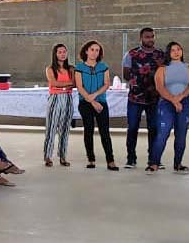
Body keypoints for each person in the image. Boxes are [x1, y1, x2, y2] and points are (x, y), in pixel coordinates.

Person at [148, 41, 189, 173]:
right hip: (166, 103)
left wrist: (180, 98)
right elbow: (160, 87)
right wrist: (173, 100)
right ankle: (154, 163)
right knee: (163, 133)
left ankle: (178, 164)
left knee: (181, 135)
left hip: (185, 103)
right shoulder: (162, 69)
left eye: (179, 49)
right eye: (173, 50)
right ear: (168, 53)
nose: (176, 52)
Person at [122, 27, 166, 169]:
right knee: (133, 128)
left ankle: (153, 159)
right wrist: (139, 80)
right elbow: (126, 75)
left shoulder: (161, 55)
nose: (150, 39)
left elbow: (165, 75)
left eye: (152, 36)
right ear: (141, 38)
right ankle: (131, 159)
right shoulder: (131, 54)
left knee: (154, 128)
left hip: (154, 99)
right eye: (147, 37)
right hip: (135, 98)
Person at [74, 40, 116, 170]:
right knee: (89, 130)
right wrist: (91, 101)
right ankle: (91, 159)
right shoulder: (79, 68)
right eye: (92, 49)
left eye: (97, 50)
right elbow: (79, 87)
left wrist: (95, 96)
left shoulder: (103, 66)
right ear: (86, 51)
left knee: (105, 132)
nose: (94, 52)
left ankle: (110, 160)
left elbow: (106, 84)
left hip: (101, 102)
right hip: (85, 103)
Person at [44, 43, 75, 167]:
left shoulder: (71, 69)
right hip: (55, 99)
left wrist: (63, 85)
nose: (62, 54)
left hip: (68, 99)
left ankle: (62, 156)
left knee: (65, 129)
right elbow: (54, 83)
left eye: (64, 52)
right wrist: (67, 84)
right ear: (55, 54)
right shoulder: (50, 69)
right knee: (51, 128)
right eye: (60, 52)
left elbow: (75, 83)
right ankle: (47, 156)